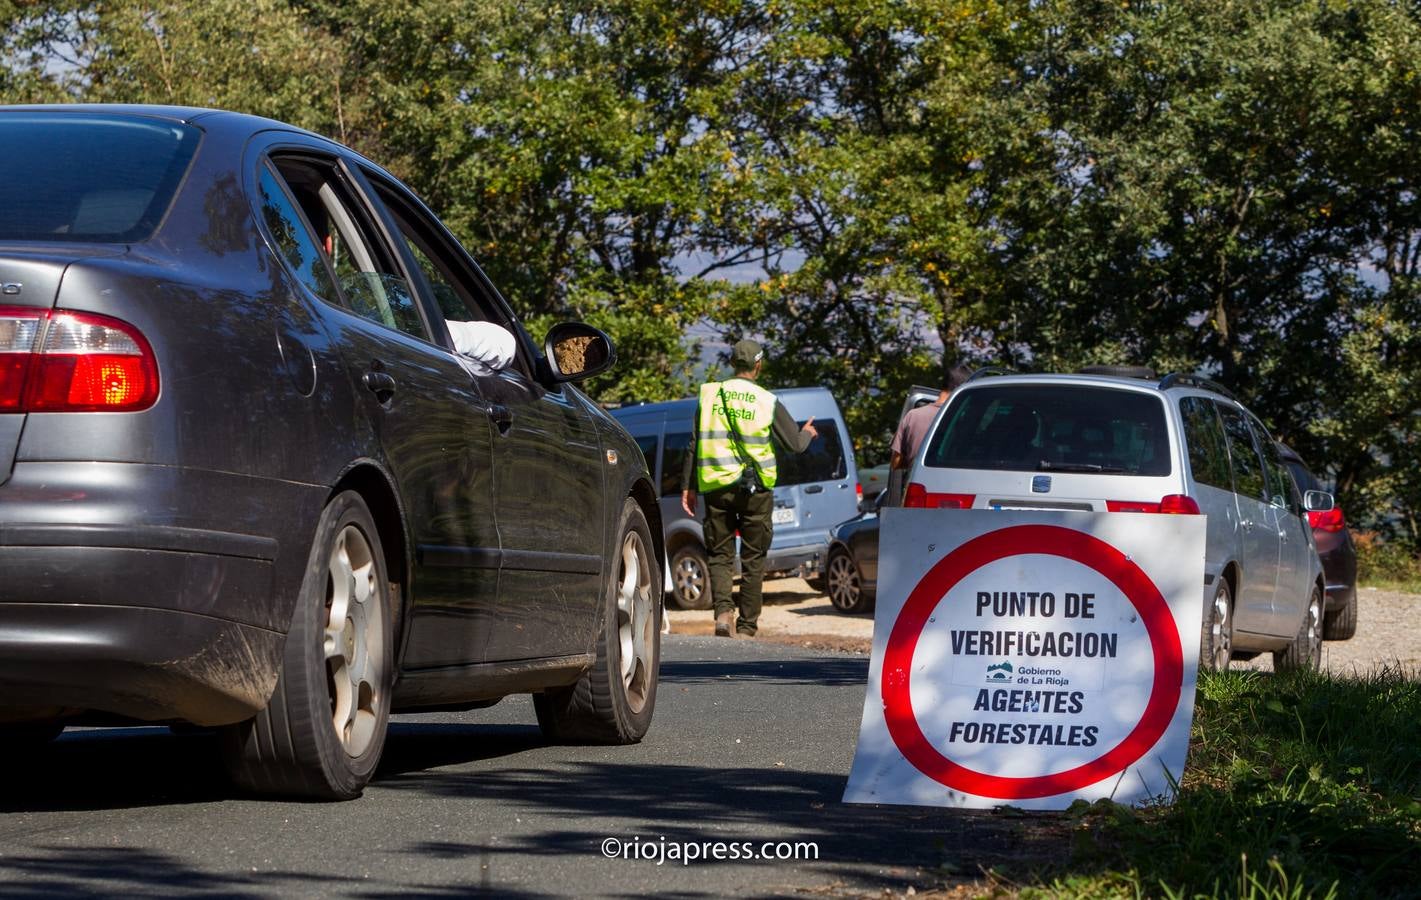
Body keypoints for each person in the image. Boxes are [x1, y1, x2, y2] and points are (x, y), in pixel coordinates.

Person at [680, 339, 818, 638]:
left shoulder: (709, 394)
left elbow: (694, 444)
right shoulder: (766, 400)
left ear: (733, 364)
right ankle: (746, 626)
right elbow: (794, 445)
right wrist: (807, 433)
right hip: (756, 490)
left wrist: (688, 487)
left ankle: (722, 613)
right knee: (754, 557)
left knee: (719, 555)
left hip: (716, 486)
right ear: (759, 364)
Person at [887, 365, 972, 503]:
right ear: (962, 388)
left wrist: (914, 461)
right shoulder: (964, 420)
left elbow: (895, 462)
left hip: (916, 493)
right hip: (953, 494)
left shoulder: (913, 416)